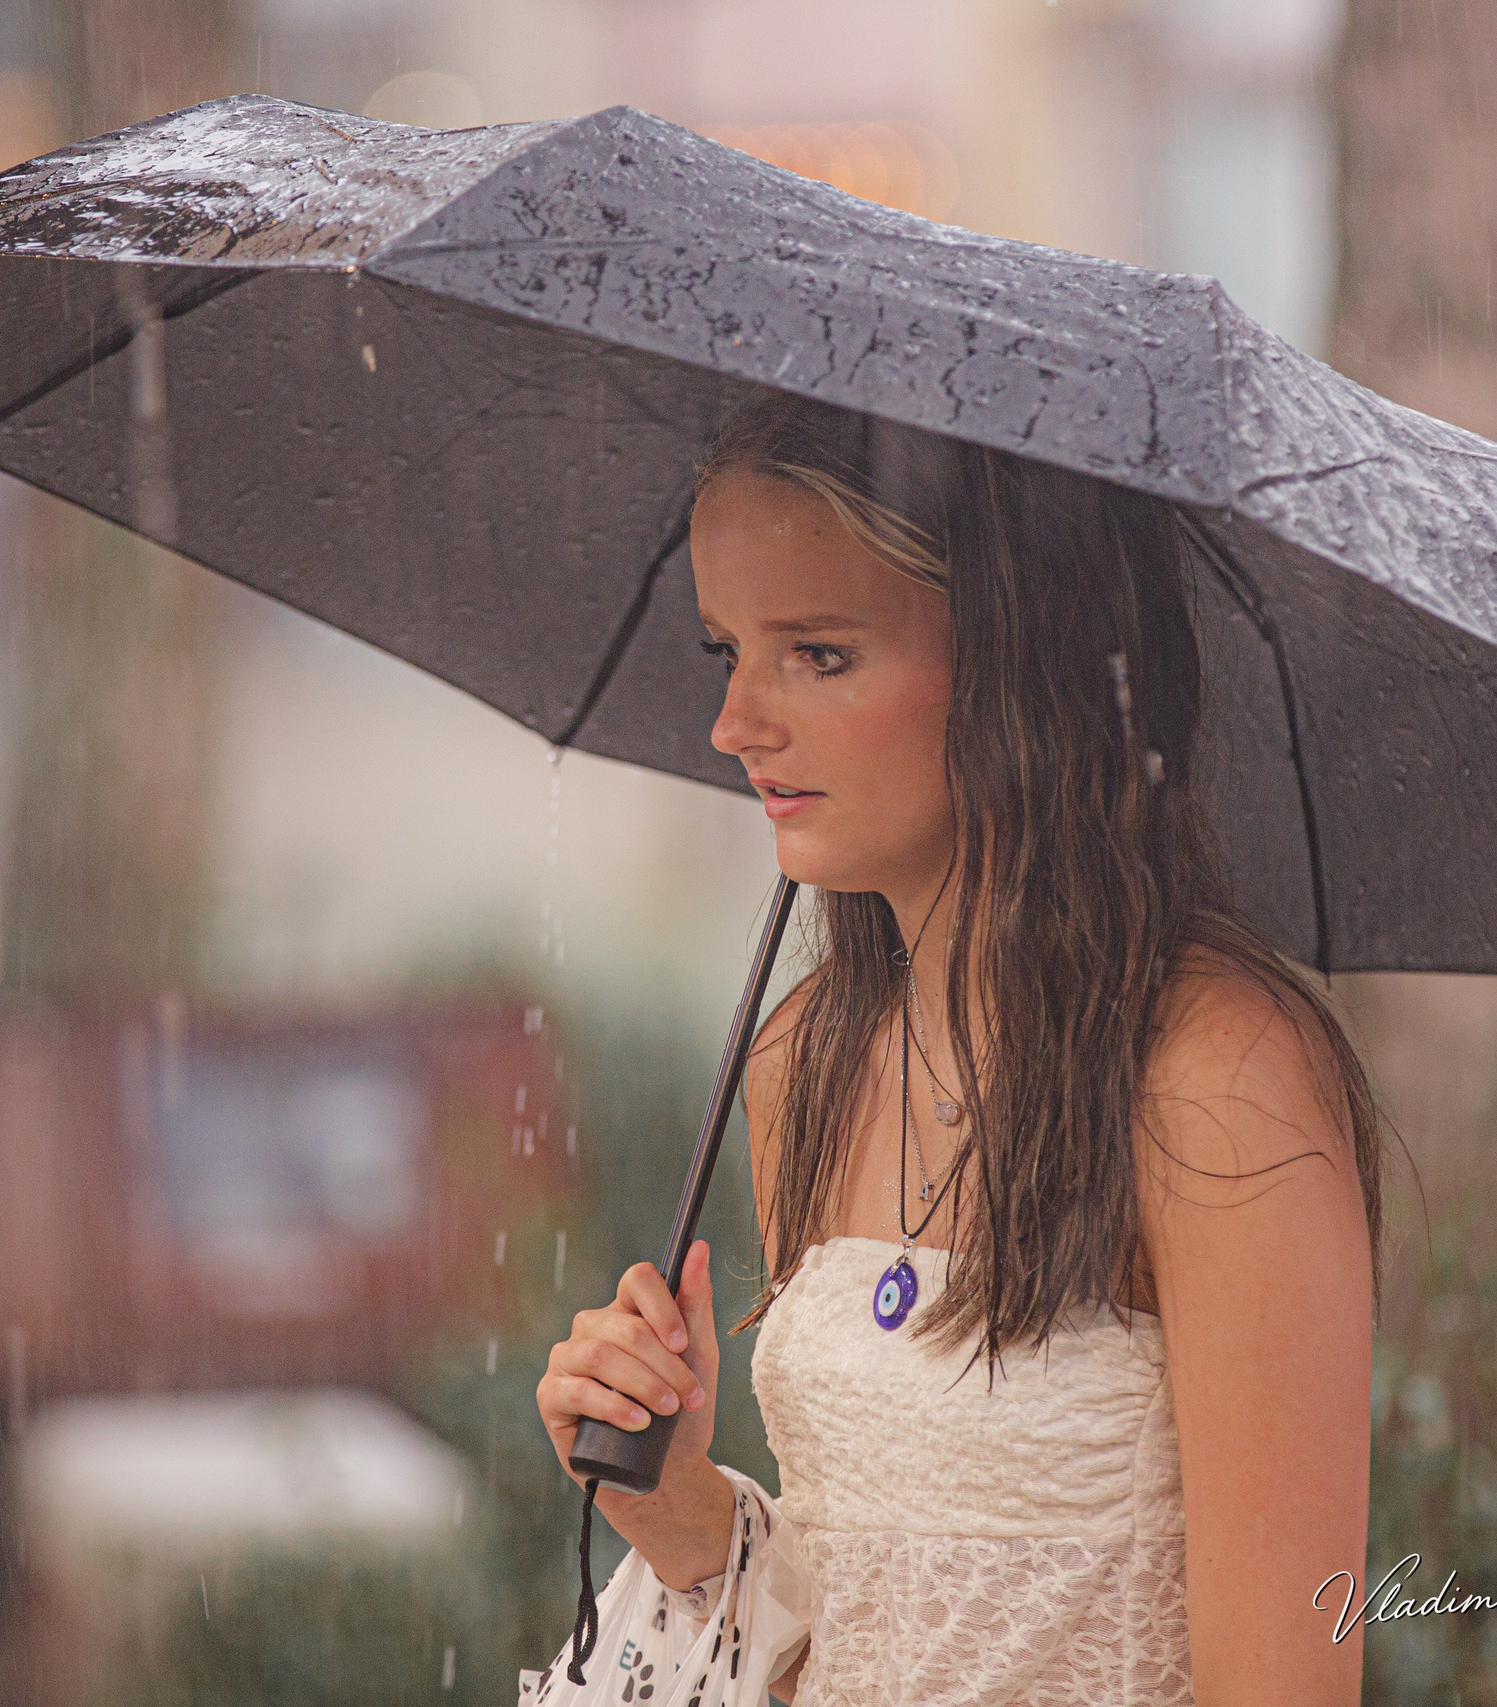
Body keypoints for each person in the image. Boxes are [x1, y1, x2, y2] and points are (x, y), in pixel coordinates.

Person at [532, 391, 1388, 1705]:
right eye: (726, 650)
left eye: (816, 654)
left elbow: (1287, 1687)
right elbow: (866, 1620)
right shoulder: (805, 1059)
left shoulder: (1217, 1082)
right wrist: (684, 1510)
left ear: (1020, 670)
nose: (736, 722)